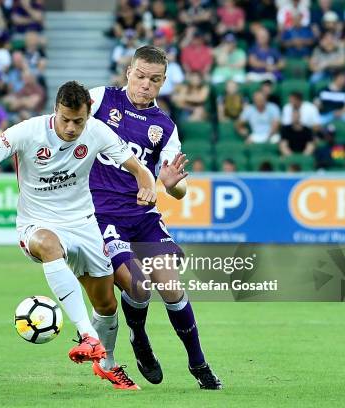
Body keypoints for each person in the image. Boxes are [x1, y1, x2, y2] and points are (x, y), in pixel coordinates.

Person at [0, 81, 166, 390]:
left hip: (84, 225)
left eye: (79, 120)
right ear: (55, 111)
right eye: (66, 119)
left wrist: (147, 183)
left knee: (106, 305)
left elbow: (137, 167)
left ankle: (108, 364)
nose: (72, 127)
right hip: (37, 224)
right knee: (49, 245)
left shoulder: (98, 132)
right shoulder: (27, 132)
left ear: (88, 113)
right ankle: (87, 336)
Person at [88, 45, 222, 389]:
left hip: (143, 215)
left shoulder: (164, 126)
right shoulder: (101, 100)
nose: (146, 84)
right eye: (141, 76)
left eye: (155, 80)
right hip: (102, 214)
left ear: (163, 83)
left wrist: (173, 185)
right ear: (128, 73)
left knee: (173, 288)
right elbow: (64, 126)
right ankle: (139, 339)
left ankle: (199, 363)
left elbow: (177, 188)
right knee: (137, 285)